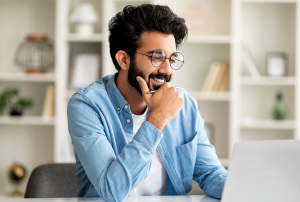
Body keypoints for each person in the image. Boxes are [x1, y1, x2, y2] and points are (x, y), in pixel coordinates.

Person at [67, 4, 227, 202]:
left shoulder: (185, 104)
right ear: (124, 60)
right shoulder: (87, 105)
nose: (167, 70)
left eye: (172, 58)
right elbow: (112, 191)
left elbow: (210, 173)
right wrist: (158, 118)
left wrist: (241, 186)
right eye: (156, 57)